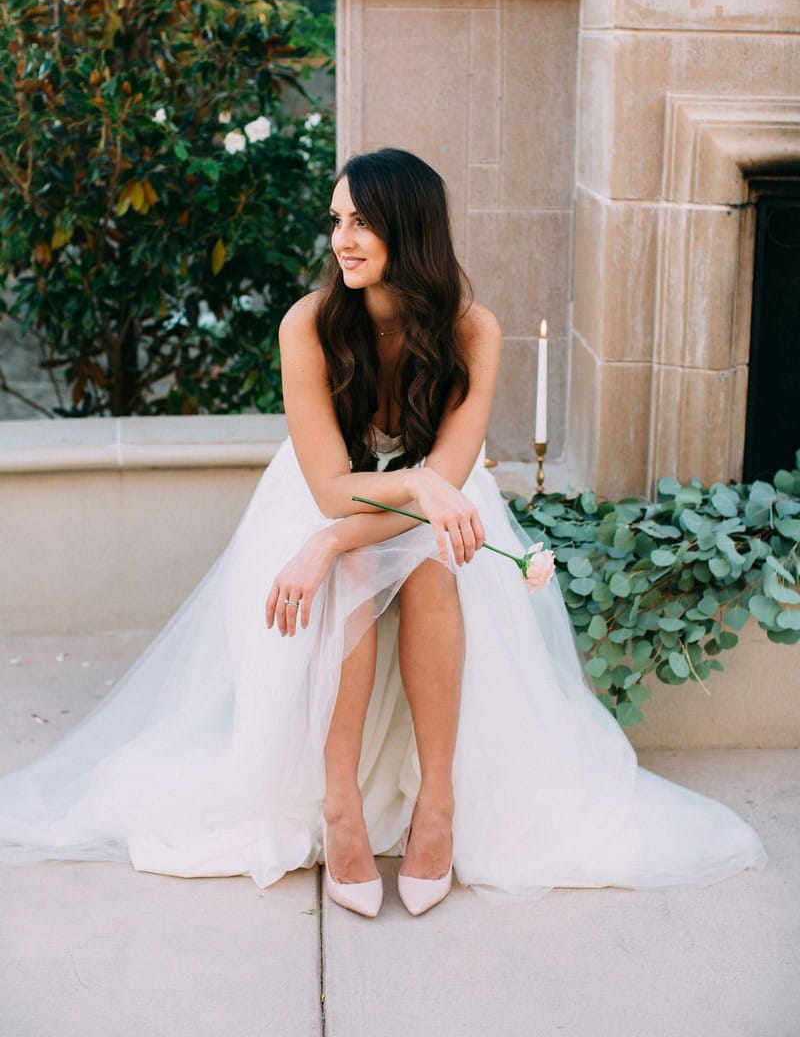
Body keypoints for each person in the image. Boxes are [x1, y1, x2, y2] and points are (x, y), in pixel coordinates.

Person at [0, 149, 766, 918]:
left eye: (362, 222)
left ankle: (439, 802)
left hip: (431, 510)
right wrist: (374, 509)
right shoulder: (309, 323)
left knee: (434, 563)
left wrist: (375, 516)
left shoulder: (474, 331)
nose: (343, 239)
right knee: (359, 575)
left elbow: (454, 476)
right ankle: (341, 807)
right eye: (337, 221)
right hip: (321, 499)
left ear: (411, 227)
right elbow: (331, 492)